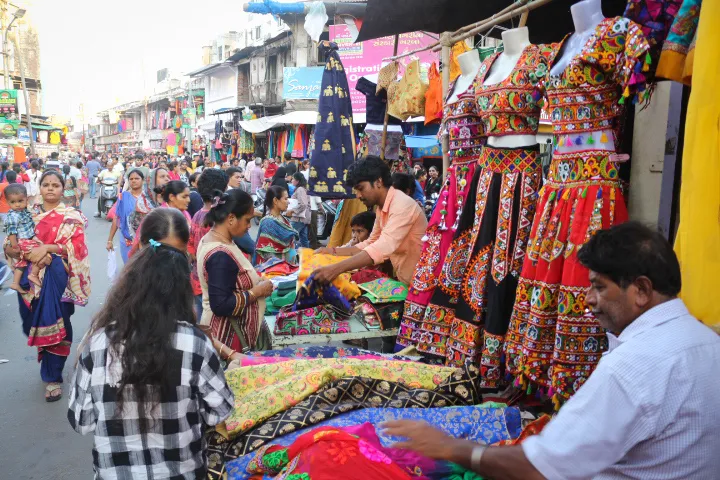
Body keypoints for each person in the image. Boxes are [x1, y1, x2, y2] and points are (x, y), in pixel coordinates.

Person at [382, 222, 720, 479]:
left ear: (642, 290)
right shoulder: (707, 343)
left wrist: (452, 448)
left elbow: (543, 468)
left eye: (599, 287)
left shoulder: (633, 366)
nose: (588, 299)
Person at [68, 208, 233, 479]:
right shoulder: (196, 345)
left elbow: (81, 420)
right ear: (182, 284)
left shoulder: (96, 343)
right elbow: (220, 411)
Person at [4, 170, 91, 402]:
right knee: (31, 321)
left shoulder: (72, 216)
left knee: (56, 318)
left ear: (63, 189)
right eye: (46, 184)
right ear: (39, 188)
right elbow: (10, 242)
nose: (51, 188)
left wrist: (49, 249)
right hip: (28, 278)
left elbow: (78, 248)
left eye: (55, 185)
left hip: (58, 275)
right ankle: (44, 350)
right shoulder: (26, 213)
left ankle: (53, 376)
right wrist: (11, 249)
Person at [313, 155, 427, 286]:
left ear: (378, 182)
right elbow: (371, 242)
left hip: (421, 283)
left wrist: (336, 269)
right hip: (408, 280)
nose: (358, 196)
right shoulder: (382, 207)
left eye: (361, 189)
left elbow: (382, 246)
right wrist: (332, 251)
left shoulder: (402, 204)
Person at [198, 189, 275, 351]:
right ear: (231, 218)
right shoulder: (219, 254)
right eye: (247, 220)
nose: (249, 226)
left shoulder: (218, 240)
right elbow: (220, 304)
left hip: (231, 336)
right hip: (228, 339)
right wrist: (257, 291)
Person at [188, 169, 230, 319]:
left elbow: (191, 250)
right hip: (215, 283)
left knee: (203, 323)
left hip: (198, 280)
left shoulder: (197, 215)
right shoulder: (218, 218)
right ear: (222, 189)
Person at [4, 184, 51, 292]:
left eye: (20, 201)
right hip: (22, 242)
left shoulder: (26, 211)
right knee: (43, 256)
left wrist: (35, 238)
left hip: (27, 239)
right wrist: (14, 246)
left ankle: (15, 283)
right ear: (7, 202)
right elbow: (12, 232)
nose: (17, 205)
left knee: (22, 263)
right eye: (13, 202)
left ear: (27, 199)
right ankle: (33, 274)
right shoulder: (13, 215)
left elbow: (28, 229)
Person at [253, 185, 298, 265]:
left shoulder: (284, 219)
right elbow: (267, 254)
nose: (288, 201)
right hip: (276, 270)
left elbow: (291, 245)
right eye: (285, 198)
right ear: (275, 201)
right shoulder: (268, 223)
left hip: (289, 266)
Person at [106, 169, 145, 263]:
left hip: (145, 241)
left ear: (142, 180)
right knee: (129, 269)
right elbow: (117, 218)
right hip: (127, 241)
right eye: (131, 179)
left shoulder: (148, 197)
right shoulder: (123, 197)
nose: (134, 181)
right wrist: (110, 240)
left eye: (137, 178)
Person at [288, 172, 311, 248]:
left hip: (298, 218)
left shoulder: (300, 189)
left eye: (293, 179)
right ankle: (307, 256)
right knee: (303, 239)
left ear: (297, 181)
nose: (292, 180)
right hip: (303, 218)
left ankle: (292, 256)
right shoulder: (303, 188)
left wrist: (293, 210)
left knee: (290, 237)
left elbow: (303, 204)